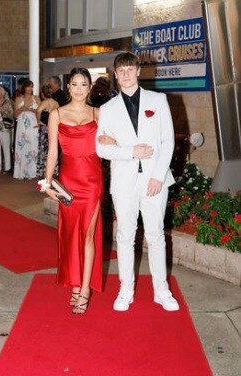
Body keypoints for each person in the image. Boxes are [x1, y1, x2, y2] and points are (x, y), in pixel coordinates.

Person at [96, 51, 180, 312]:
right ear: (115, 75)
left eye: (130, 69)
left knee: (155, 236)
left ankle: (161, 290)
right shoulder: (107, 109)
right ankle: (125, 289)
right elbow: (101, 149)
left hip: (155, 180)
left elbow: (168, 141)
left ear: (138, 71)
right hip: (124, 182)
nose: (126, 74)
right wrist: (131, 151)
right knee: (125, 236)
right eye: (121, 71)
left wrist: (157, 176)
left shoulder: (158, 100)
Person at [44, 67, 114, 314]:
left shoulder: (98, 113)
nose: (79, 89)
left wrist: (112, 142)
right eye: (74, 84)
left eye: (84, 84)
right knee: (70, 235)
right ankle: (74, 282)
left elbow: (110, 143)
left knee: (88, 235)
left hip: (92, 181)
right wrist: (47, 182)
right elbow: (53, 151)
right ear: (68, 86)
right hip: (67, 182)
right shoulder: (56, 114)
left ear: (89, 87)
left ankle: (84, 289)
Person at [13, 79, 40, 179]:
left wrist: (31, 110)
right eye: (28, 86)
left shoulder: (36, 98)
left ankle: (33, 172)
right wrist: (22, 108)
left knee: (33, 146)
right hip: (22, 127)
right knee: (22, 147)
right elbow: (15, 115)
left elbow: (39, 112)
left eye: (31, 86)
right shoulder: (18, 98)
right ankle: (21, 171)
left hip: (33, 125)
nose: (30, 88)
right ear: (24, 87)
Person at [36, 84, 59, 178]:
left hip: (45, 129)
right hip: (54, 129)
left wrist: (38, 121)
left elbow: (38, 111)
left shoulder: (44, 102)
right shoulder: (56, 103)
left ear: (42, 93)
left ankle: (44, 172)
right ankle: (54, 171)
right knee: (53, 149)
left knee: (44, 150)